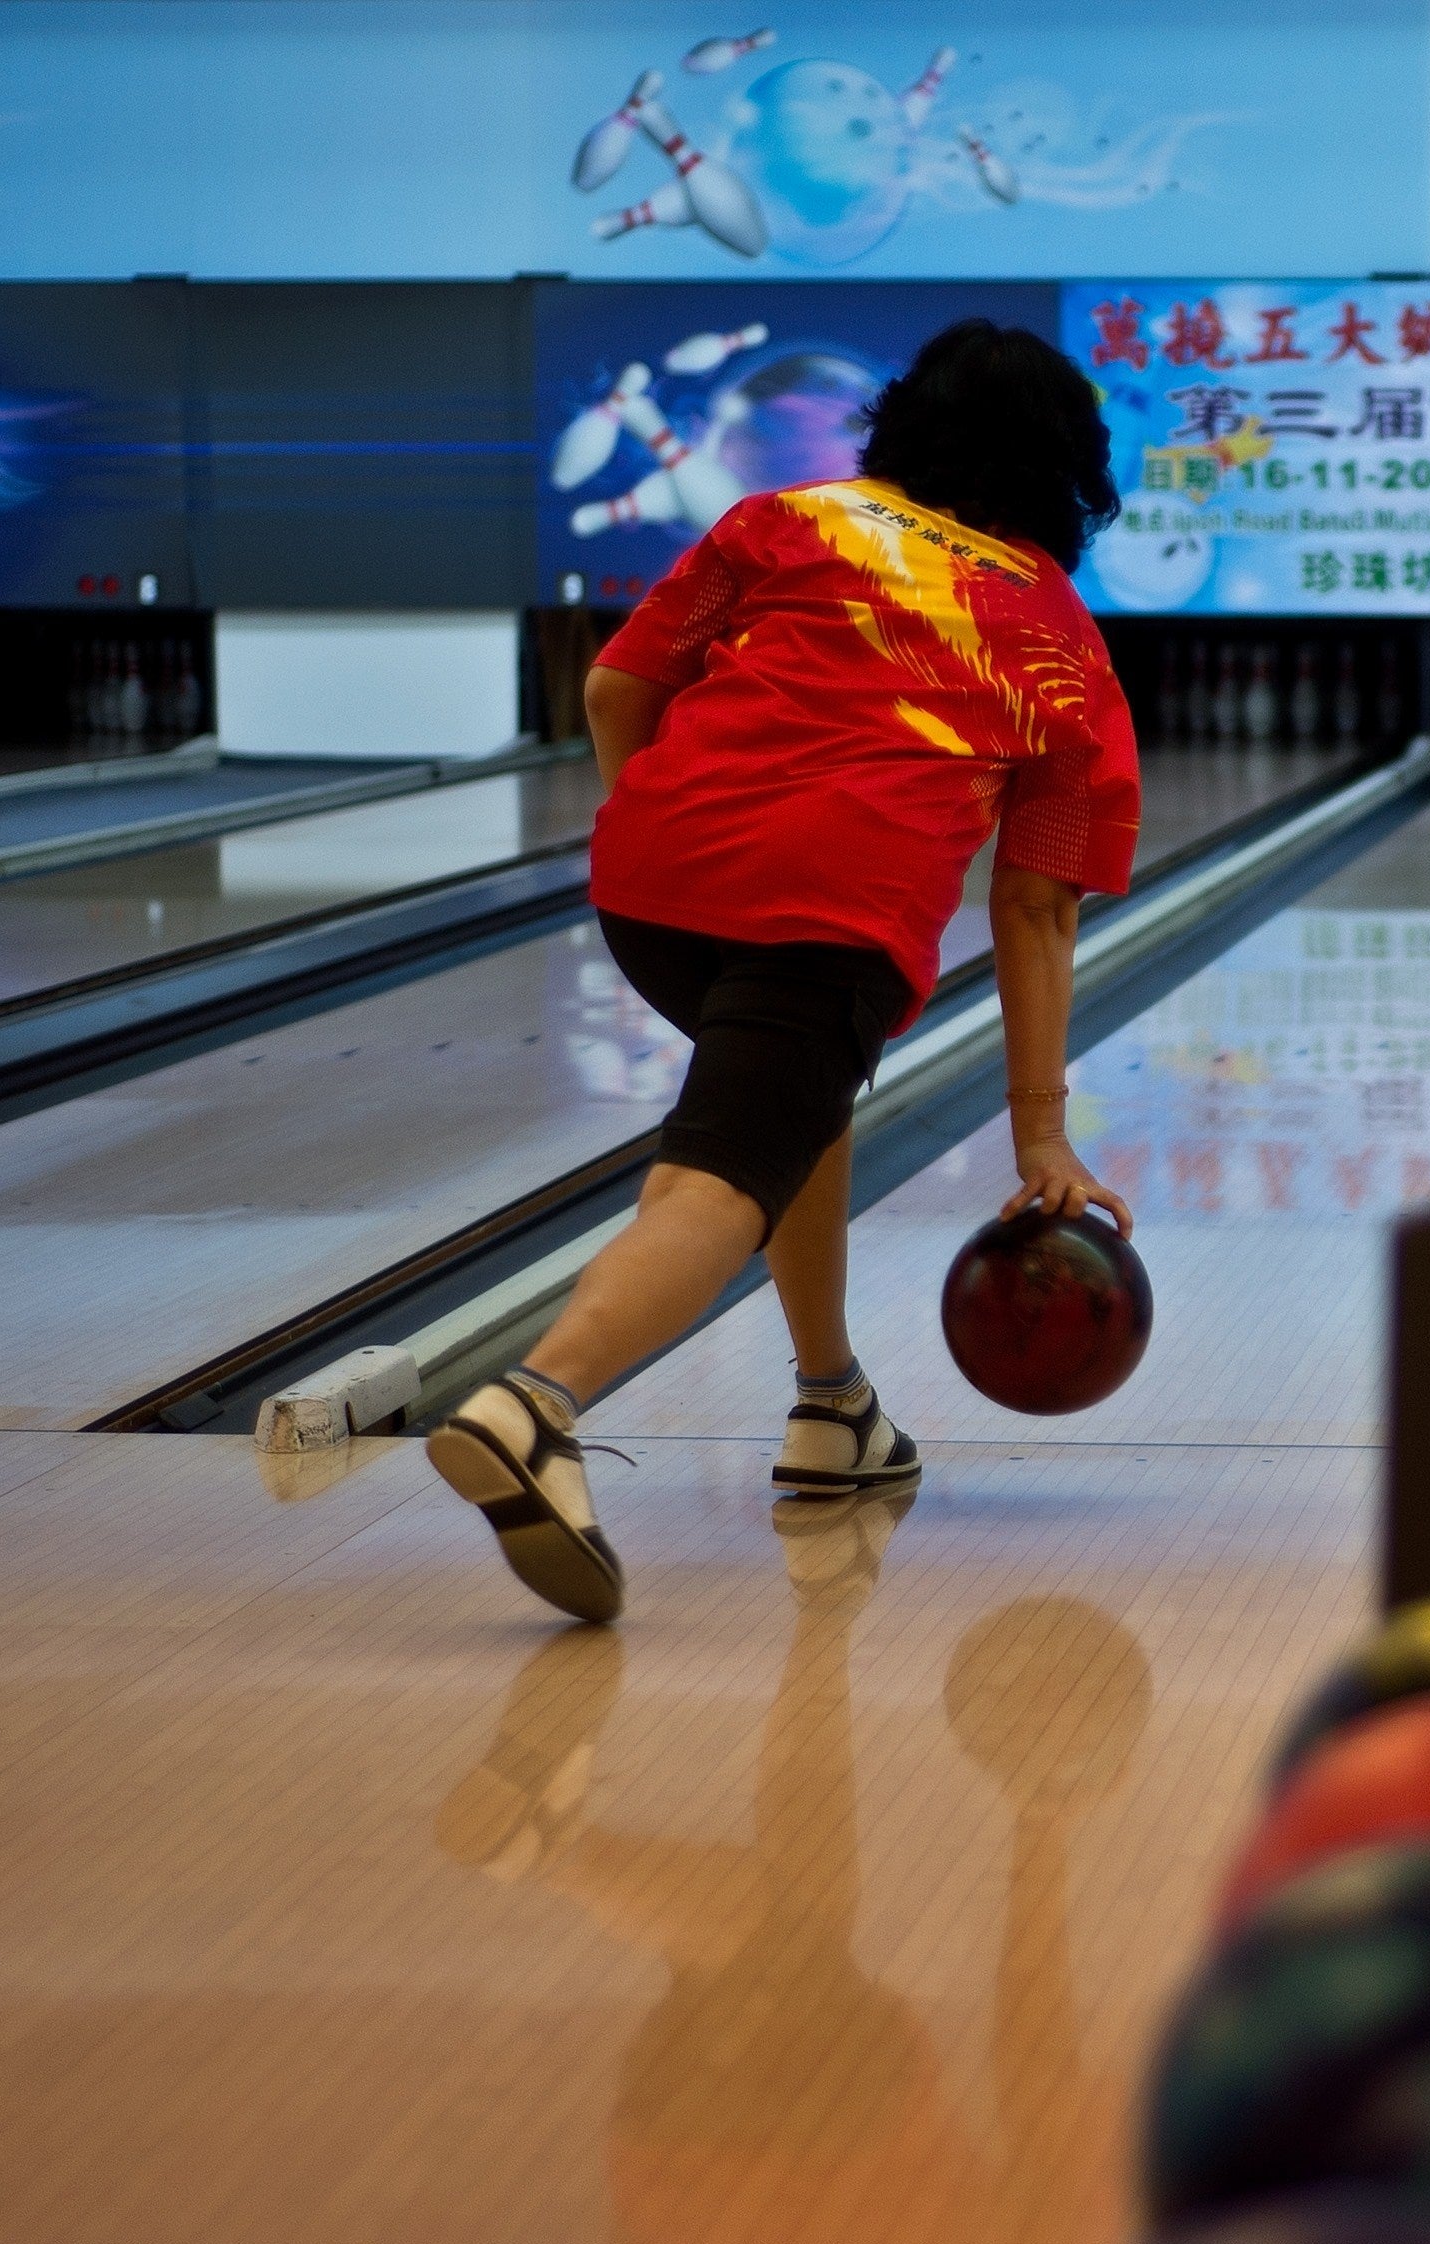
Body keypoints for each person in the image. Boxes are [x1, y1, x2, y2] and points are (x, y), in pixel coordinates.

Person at [431, 319, 1139, 1625]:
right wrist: (1042, 1134)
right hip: (831, 910)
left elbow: (612, 688)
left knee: (784, 1106)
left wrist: (665, 833)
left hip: (648, 882)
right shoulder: (1056, 636)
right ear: (1067, 473)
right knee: (719, 1179)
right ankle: (536, 1405)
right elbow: (1036, 905)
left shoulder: (786, 520)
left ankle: (832, 1407)